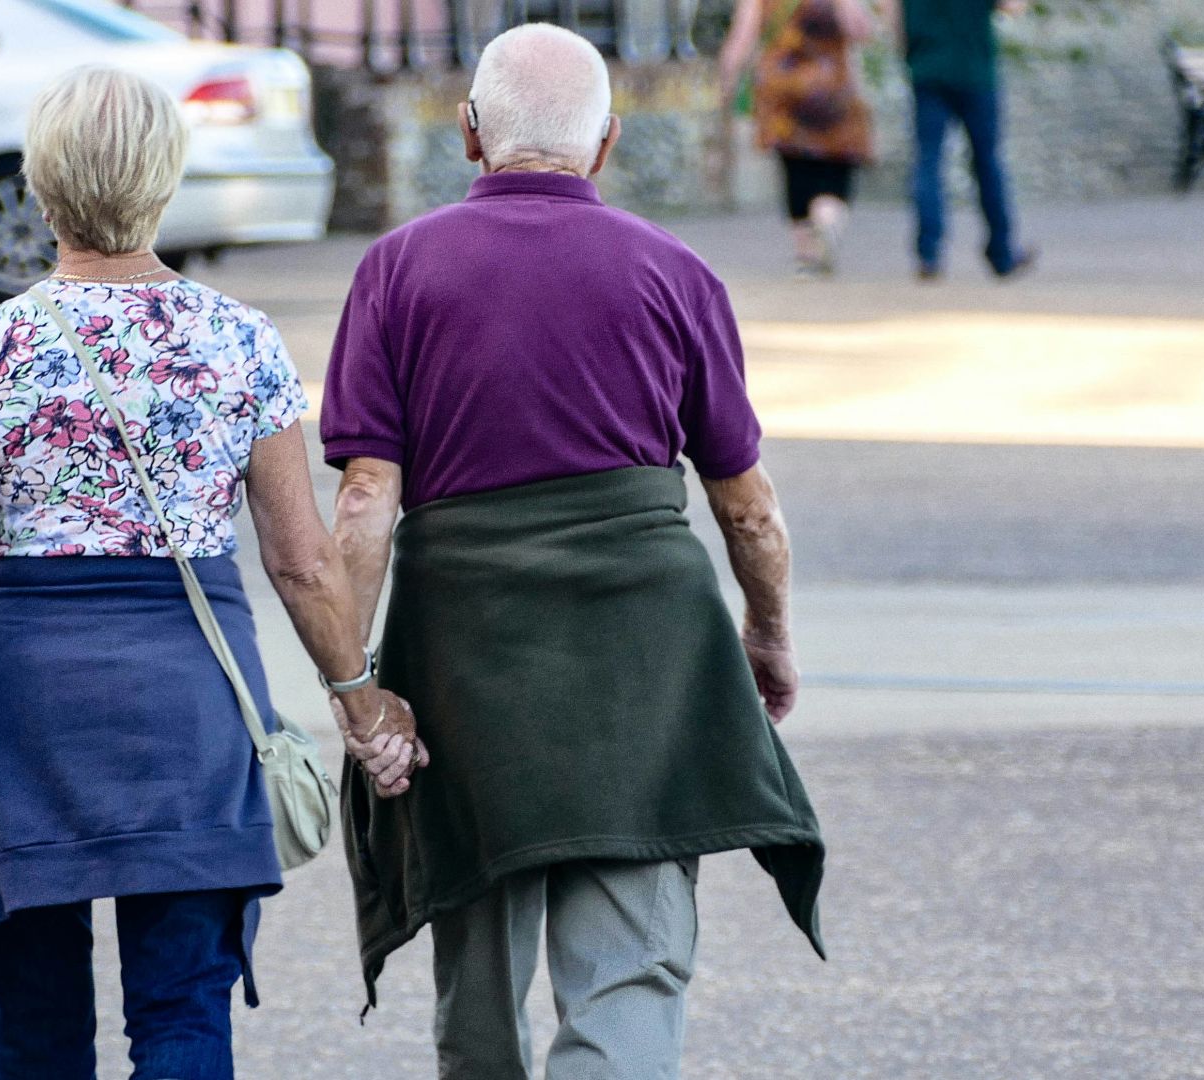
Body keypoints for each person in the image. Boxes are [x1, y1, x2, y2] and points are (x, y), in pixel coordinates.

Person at [0, 66, 424, 1080]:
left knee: (39, 1029)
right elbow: (303, 562)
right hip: (188, 703)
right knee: (183, 1014)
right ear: (163, 182)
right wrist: (360, 707)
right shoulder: (239, 343)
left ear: (43, 190)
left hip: (22, 713)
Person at [321, 24, 827, 1080]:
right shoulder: (674, 273)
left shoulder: (397, 271)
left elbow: (367, 500)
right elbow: (748, 510)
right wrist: (767, 636)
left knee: (481, 970)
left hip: (466, 656)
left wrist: (355, 682)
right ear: (606, 145)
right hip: (643, 656)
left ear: (468, 135)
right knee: (629, 972)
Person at [720, 0, 878, 277]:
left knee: (795, 170)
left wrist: (728, 80)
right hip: (833, 89)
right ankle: (827, 219)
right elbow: (862, 31)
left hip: (784, 91)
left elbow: (741, 37)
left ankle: (806, 254)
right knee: (837, 169)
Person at [885, 0, 1038, 279]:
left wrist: (909, 50)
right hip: (974, 70)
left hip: (928, 67)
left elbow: (892, 14)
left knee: (928, 160)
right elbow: (1014, 7)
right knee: (987, 161)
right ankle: (1001, 252)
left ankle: (928, 253)